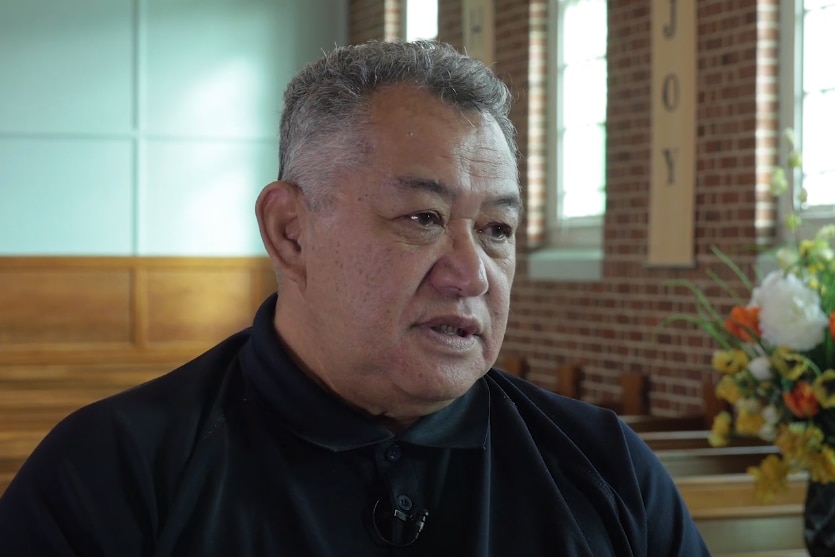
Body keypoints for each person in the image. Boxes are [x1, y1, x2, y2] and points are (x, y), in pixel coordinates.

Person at [0, 40, 709, 556]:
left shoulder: (607, 468)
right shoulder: (114, 473)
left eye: (496, 228)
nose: (471, 274)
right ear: (290, 231)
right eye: (422, 219)